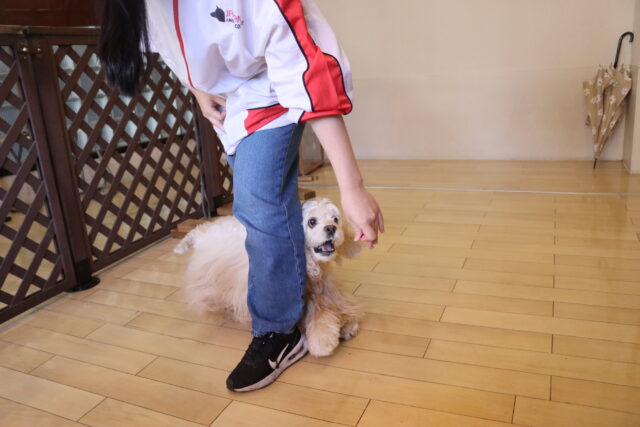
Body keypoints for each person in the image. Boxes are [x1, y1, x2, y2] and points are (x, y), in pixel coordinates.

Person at [98, 0, 384, 392]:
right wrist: (198, 90)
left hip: (274, 94)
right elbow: (174, 46)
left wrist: (352, 188)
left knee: (259, 206)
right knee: (270, 208)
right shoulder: (142, 7)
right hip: (229, 107)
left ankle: (278, 331)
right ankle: (306, 301)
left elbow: (306, 73)